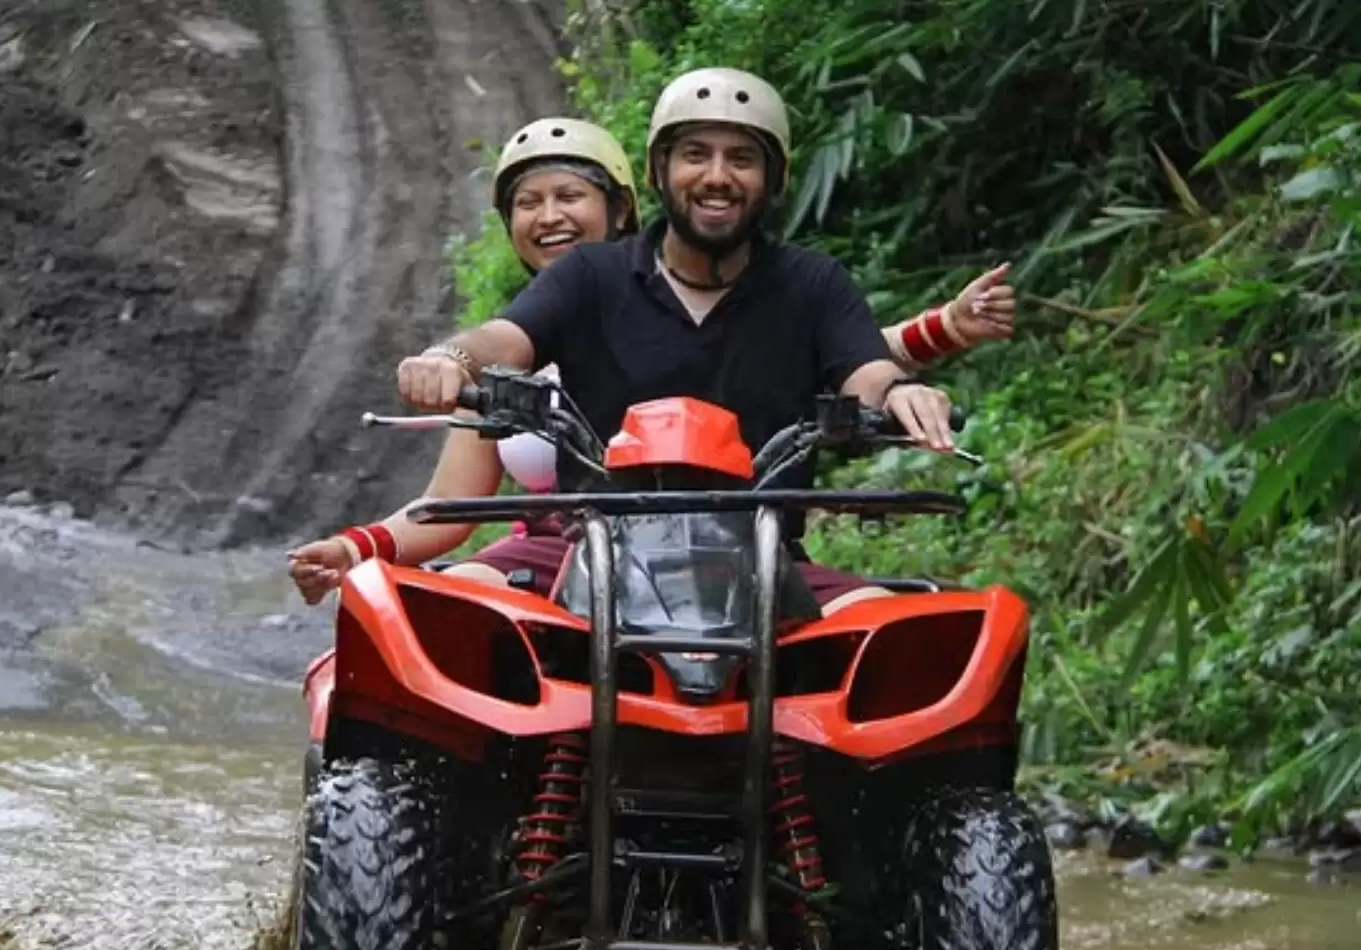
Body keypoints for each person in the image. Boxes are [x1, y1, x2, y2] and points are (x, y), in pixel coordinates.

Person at [289, 90, 1015, 609]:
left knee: (886, 634)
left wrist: (902, 391)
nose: (718, 175)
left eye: (742, 158)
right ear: (664, 172)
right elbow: (495, 349)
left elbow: (862, 363)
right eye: (695, 154)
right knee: (454, 609)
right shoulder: (584, 282)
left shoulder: (810, 284)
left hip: (760, 554)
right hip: (580, 547)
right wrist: (447, 358)